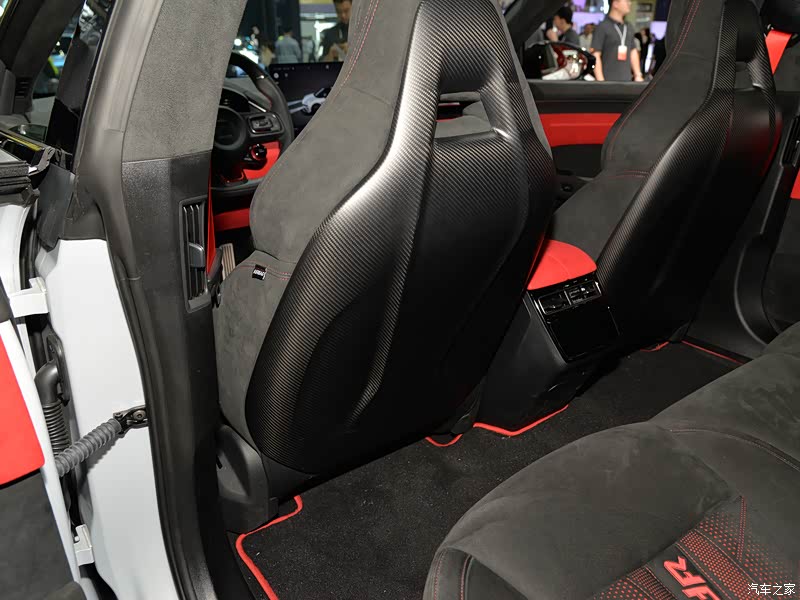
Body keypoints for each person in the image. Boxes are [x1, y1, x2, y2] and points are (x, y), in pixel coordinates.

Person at [590, 0, 644, 81]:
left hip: (626, 80)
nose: (629, 3)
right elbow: (596, 55)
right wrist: (601, 81)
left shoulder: (628, 27)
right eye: (626, 1)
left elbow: (633, 51)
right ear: (615, 4)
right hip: (608, 80)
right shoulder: (603, 26)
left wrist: (638, 75)